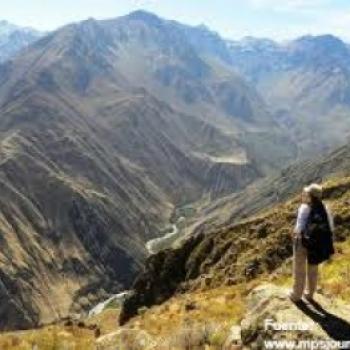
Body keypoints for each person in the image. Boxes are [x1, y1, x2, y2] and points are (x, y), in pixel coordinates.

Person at [289, 183, 335, 303]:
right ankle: (310, 294)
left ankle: (296, 295)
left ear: (310, 195)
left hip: (302, 242)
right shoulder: (325, 207)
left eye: (307, 193)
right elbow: (330, 227)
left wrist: (295, 235)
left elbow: (299, 227)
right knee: (313, 269)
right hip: (317, 244)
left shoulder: (304, 208)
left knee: (299, 269)